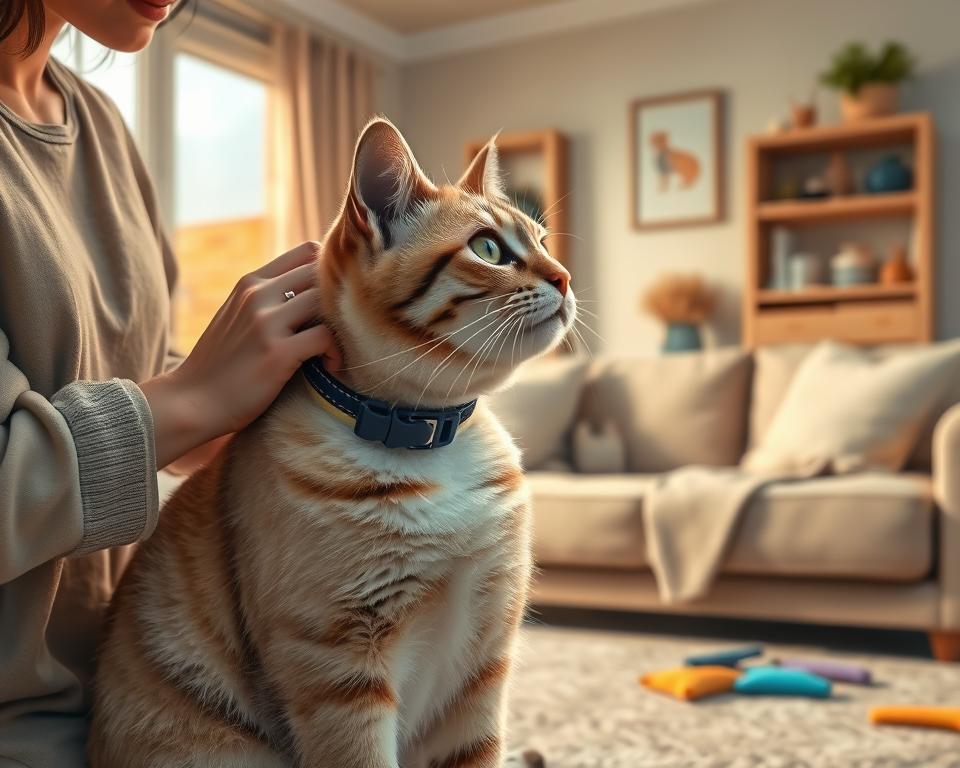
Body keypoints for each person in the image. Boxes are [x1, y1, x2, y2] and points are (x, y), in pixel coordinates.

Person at [0, 1, 340, 765]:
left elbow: (152, 402)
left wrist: (291, 389)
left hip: (135, 685)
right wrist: (192, 396)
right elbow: (168, 407)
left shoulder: (102, 127)